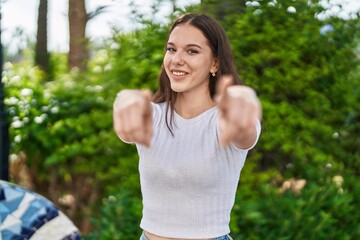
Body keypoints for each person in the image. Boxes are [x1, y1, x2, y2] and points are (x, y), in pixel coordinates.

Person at [113, 13, 262, 240]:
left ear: (215, 63)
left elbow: (245, 133)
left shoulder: (227, 119)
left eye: (191, 51)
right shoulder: (152, 116)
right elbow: (127, 128)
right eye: (171, 49)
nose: (176, 59)